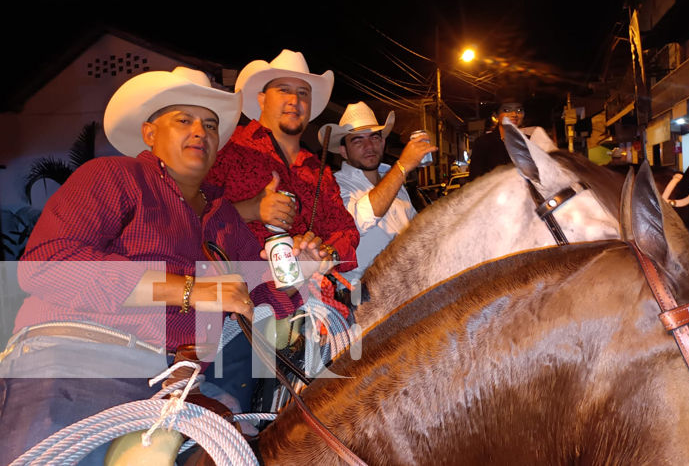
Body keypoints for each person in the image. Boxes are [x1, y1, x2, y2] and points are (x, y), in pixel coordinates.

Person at [0, 67, 323, 465]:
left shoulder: (226, 220)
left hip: (181, 384)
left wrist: (298, 278)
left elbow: (253, 303)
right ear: (150, 134)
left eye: (209, 124)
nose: (201, 132)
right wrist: (190, 289)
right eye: (184, 120)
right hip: (82, 360)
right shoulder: (111, 176)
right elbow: (48, 264)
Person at [206, 49, 360, 291]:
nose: (294, 100)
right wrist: (249, 210)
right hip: (242, 301)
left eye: (302, 93)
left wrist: (323, 252)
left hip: (314, 304)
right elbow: (189, 216)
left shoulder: (319, 171)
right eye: (283, 90)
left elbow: (346, 231)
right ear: (262, 99)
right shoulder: (229, 147)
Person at [323, 102, 437, 288]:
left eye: (374, 138)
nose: (369, 146)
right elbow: (354, 223)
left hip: (409, 287)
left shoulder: (395, 182)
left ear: (383, 143)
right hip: (363, 294)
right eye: (358, 140)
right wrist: (402, 167)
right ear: (343, 151)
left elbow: (415, 232)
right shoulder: (335, 185)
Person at [468, 85, 547, 180]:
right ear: (495, 115)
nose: (514, 115)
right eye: (506, 110)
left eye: (519, 110)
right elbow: (475, 180)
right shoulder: (483, 143)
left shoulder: (530, 142)